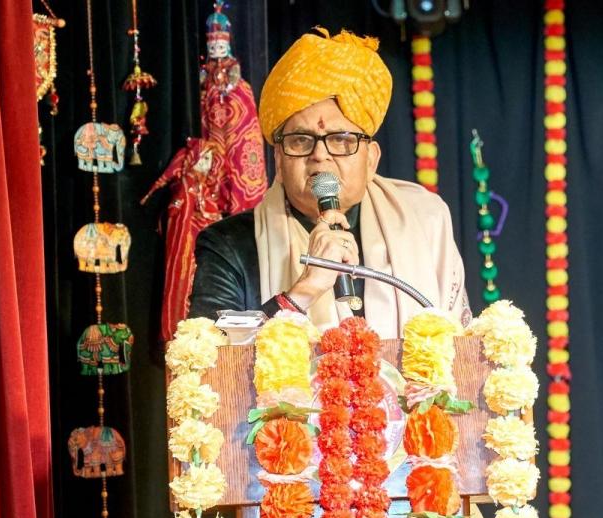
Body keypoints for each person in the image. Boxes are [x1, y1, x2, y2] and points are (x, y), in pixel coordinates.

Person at [189, 28, 471, 338]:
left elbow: (461, 346)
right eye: (300, 140)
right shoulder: (228, 245)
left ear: (371, 159)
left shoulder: (426, 220)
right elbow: (208, 356)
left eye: (340, 139)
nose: (320, 155)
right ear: (279, 160)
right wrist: (304, 290)